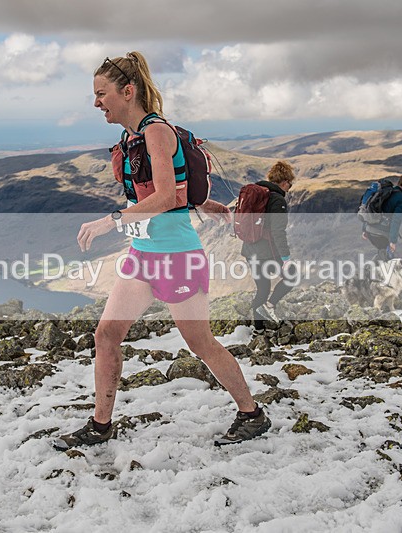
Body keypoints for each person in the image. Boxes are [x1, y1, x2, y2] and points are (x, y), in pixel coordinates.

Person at [53, 51, 271, 450]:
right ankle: (100, 425)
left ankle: (252, 414)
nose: (96, 102)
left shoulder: (155, 132)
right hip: (142, 255)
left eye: (102, 93)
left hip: (177, 258)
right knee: (106, 334)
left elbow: (168, 196)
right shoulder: (131, 137)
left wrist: (111, 220)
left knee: (200, 343)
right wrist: (205, 204)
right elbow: (173, 189)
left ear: (128, 91)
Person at [240, 161, 296, 332]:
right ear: (285, 182)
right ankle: (270, 306)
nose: (289, 188)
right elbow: (278, 232)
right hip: (267, 252)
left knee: (262, 289)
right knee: (292, 276)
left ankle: (258, 330)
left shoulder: (258, 194)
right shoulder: (277, 200)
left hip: (250, 250)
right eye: (290, 185)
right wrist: (286, 258)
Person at [362, 173, 402, 262]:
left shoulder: (385, 192)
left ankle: (373, 268)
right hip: (381, 233)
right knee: (388, 257)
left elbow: (371, 207)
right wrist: (393, 241)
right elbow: (396, 220)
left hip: (369, 230)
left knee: (382, 253)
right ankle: (377, 270)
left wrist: (364, 228)